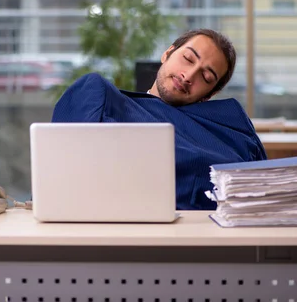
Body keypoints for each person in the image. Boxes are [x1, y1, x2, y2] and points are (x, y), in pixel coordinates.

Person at [51, 29, 266, 210]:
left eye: (206, 77)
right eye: (188, 59)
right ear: (167, 53)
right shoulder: (99, 95)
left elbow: (264, 201)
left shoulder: (232, 128)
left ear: (209, 94)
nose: (189, 75)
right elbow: (63, 180)